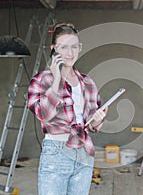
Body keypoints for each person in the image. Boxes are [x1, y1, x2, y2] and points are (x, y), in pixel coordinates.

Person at [28, 22, 108, 195]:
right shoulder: (41, 81)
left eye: (74, 47)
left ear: (79, 48)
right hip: (56, 152)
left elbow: (91, 126)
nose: (70, 53)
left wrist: (96, 120)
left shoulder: (87, 82)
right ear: (54, 48)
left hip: (84, 154)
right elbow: (44, 114)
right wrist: (56, 80)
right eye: (64, 47)